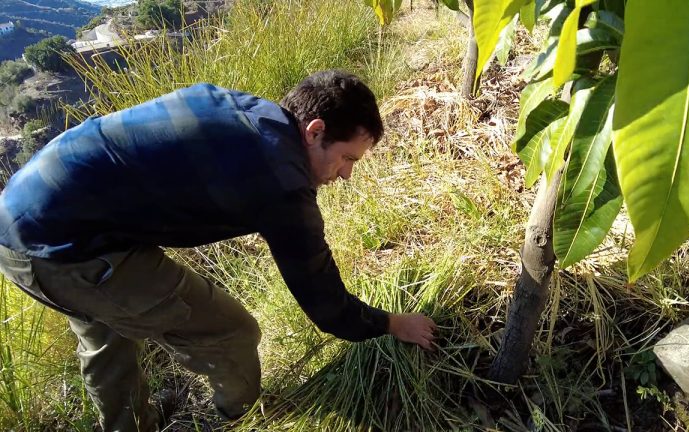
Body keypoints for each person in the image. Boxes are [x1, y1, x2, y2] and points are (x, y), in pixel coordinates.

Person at [0, 70, 437, 431]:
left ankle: (128, 425)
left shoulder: (247, 110)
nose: (345, 176)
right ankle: (233, 417)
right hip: (67, 249)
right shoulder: (280, 181)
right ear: (315, 130)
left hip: (24, 218)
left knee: (107, 334)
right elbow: (323, 299)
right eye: (347, 159)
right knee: (233, 332)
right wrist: (391, 323)